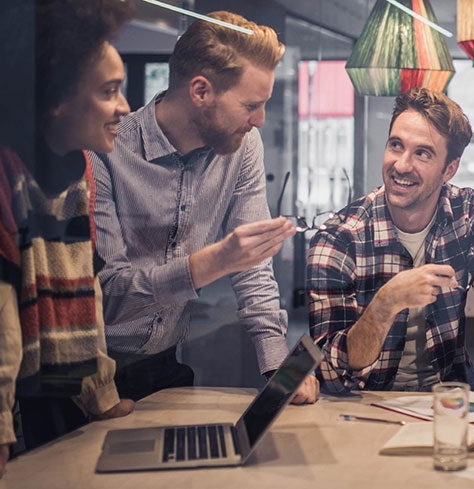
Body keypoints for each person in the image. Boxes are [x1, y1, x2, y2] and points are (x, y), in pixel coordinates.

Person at [0, 1, 136, 487]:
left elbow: (81, 288)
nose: (125, 108)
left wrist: (100, 395)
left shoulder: (76, 164)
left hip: (33, 403)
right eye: (109, 91)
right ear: (53, 94)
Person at [94, 11, 317, 404]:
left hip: (164, 365)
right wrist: (209, 264)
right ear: (201, 92)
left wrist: (277, 365)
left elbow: (254, 268)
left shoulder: (243, 145)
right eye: (251, 105)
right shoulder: (107, 148)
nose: (260, 120)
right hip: (89, 371)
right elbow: (109, 295)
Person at [309, 87, 474, 414]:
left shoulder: (468, 213)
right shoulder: (340, 238)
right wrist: (386, 303)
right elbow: (330, 371)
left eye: (422, 153)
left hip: (452, 400)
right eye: (396, 146)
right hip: (365, 407)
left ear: (449, 169)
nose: (401, 165)